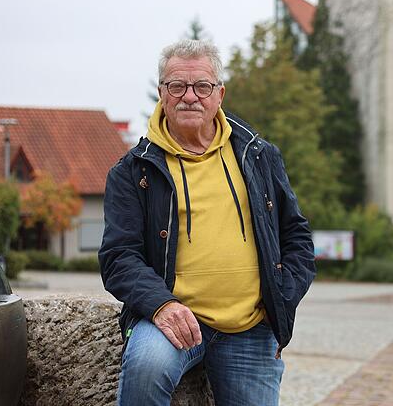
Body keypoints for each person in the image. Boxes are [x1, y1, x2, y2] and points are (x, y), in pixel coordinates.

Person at [99, 39, 315, 406]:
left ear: (219, 94)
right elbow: (119, 256)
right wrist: (161, 305)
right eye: (177, 86)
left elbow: (297, 236)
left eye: (202, 86)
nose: (189, 97)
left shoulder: (259, 156)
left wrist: (281, 296)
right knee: (145, 368)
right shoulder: (133, 171)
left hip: (251, 325)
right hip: (171, 320)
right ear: (162, 93)